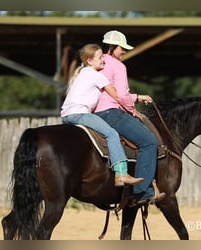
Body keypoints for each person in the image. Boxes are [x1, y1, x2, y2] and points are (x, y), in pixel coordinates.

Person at [94, 30, 165, 205]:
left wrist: (137, 97)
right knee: (149, 142)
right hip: (111, 112)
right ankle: (141, 192)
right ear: (112, 47)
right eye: (122, 48)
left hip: (93, 113)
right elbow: (122, 96)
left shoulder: (96, 63)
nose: (124, 51)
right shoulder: (118, 66)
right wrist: (134, 112)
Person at [61, 44, 143, 187]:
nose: (103, 60)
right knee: (111, 134)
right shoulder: (97, 76)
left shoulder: (83, 73)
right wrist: (137, 99)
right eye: (100, 58)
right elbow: (118, 96)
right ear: (89, 61)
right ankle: (121, 174)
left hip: (66, 115)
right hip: (80, 114)